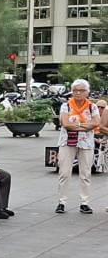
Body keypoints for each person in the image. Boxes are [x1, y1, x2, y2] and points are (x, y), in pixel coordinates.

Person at [56, 79, 100, 215]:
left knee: (85, 173)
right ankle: (62, 202)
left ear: (87, 92)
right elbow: (65, 123)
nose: (78, 93)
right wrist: (85, 125)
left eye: (81, 90)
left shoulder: (92, 107)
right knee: (64, 172)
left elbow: (96, 123)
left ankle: (84, 202)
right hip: (67, 141)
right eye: (75, 90)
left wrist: (77, 126)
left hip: (86, 143)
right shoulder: (66, 106)